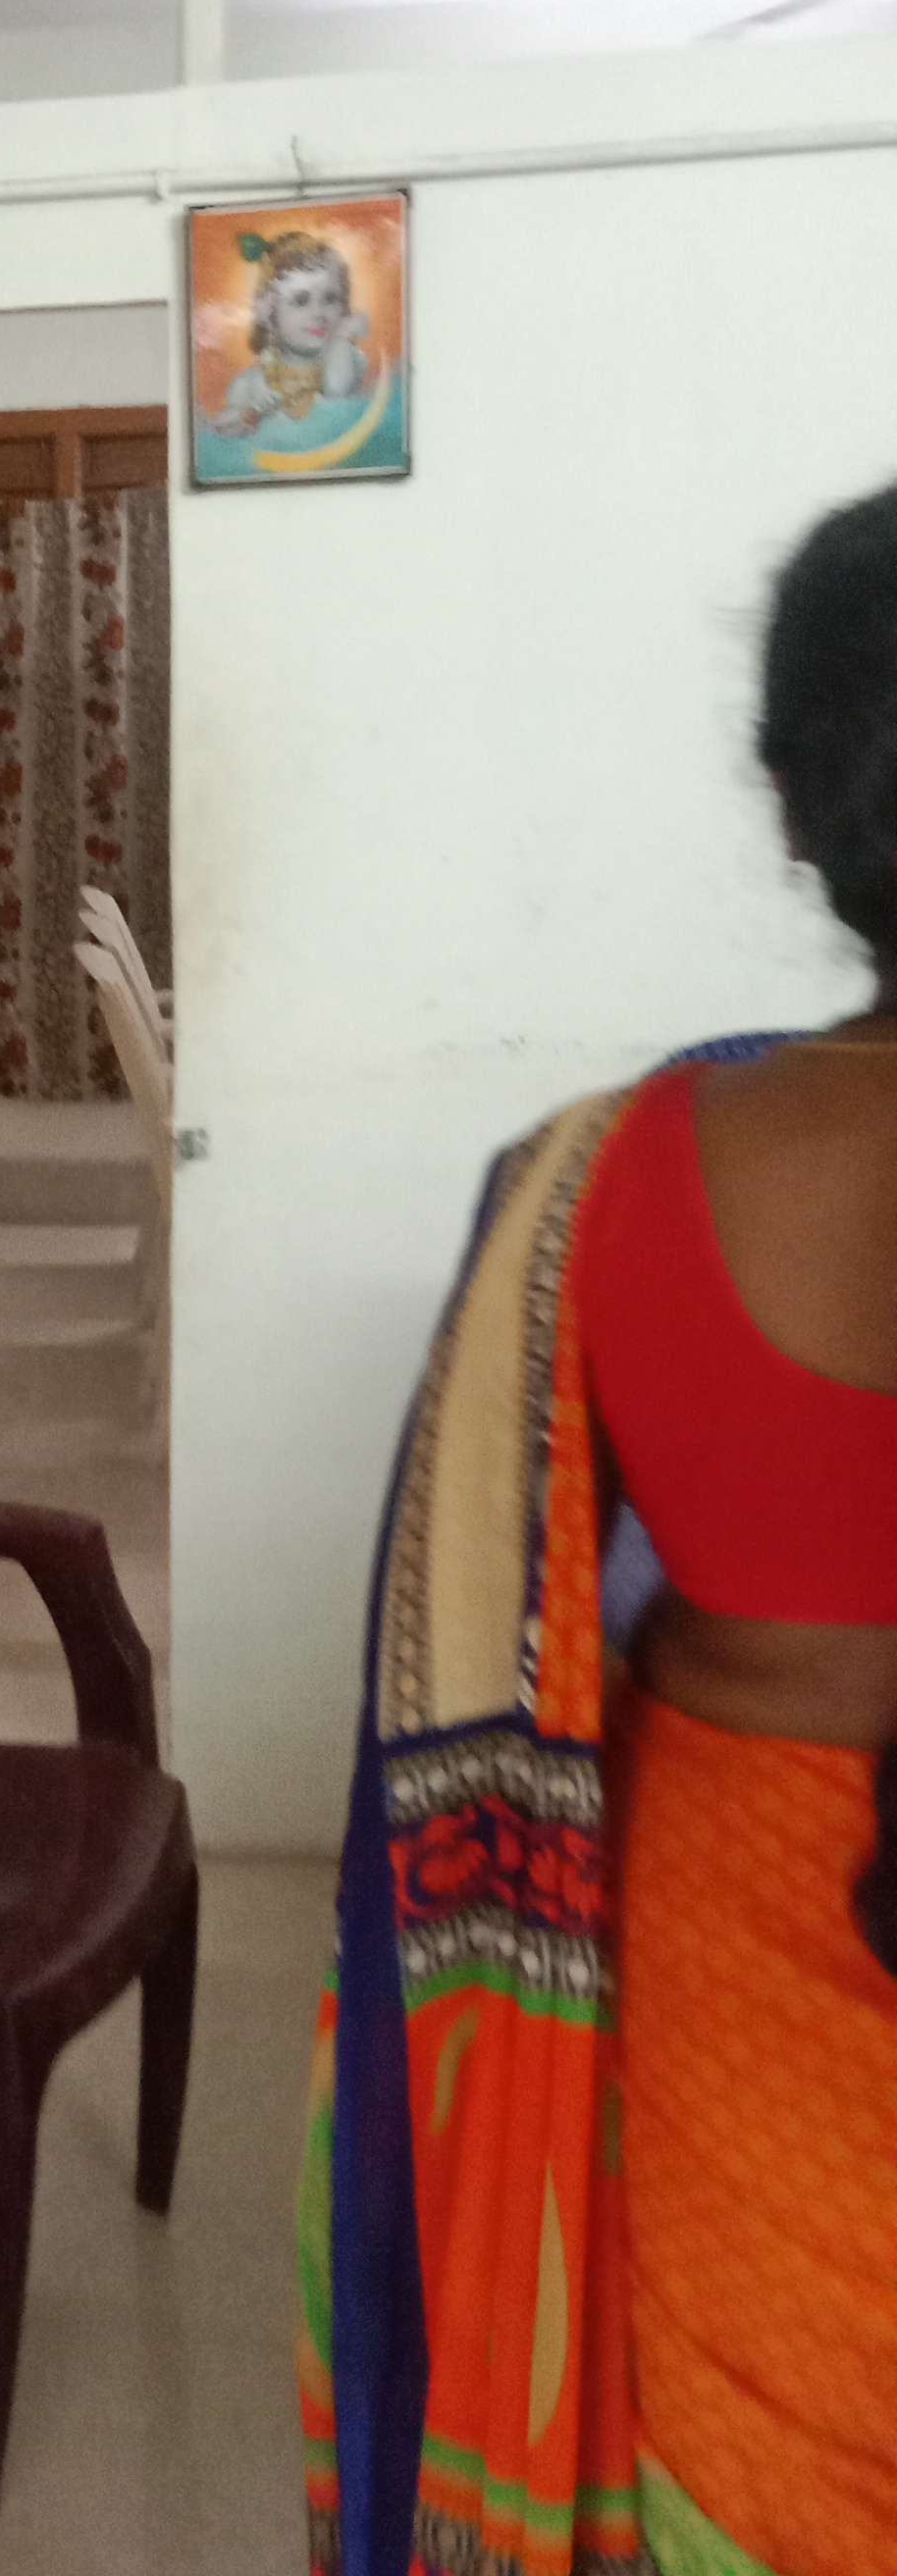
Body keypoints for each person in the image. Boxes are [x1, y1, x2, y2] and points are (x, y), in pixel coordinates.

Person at [301, 483, 897, 2576]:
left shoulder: (600, 1179)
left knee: (754, 2466)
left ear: (793, 805)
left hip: (730, 1897)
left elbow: (493, 1622)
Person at [215, 230, 371, 438]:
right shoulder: (249, 383)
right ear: (270, 312)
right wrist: (247, 416)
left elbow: (337, 394)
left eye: (330, 298)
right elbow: (222, 433)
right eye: (301, 300)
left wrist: (341, 339)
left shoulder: (350, 360)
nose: (318, 313)